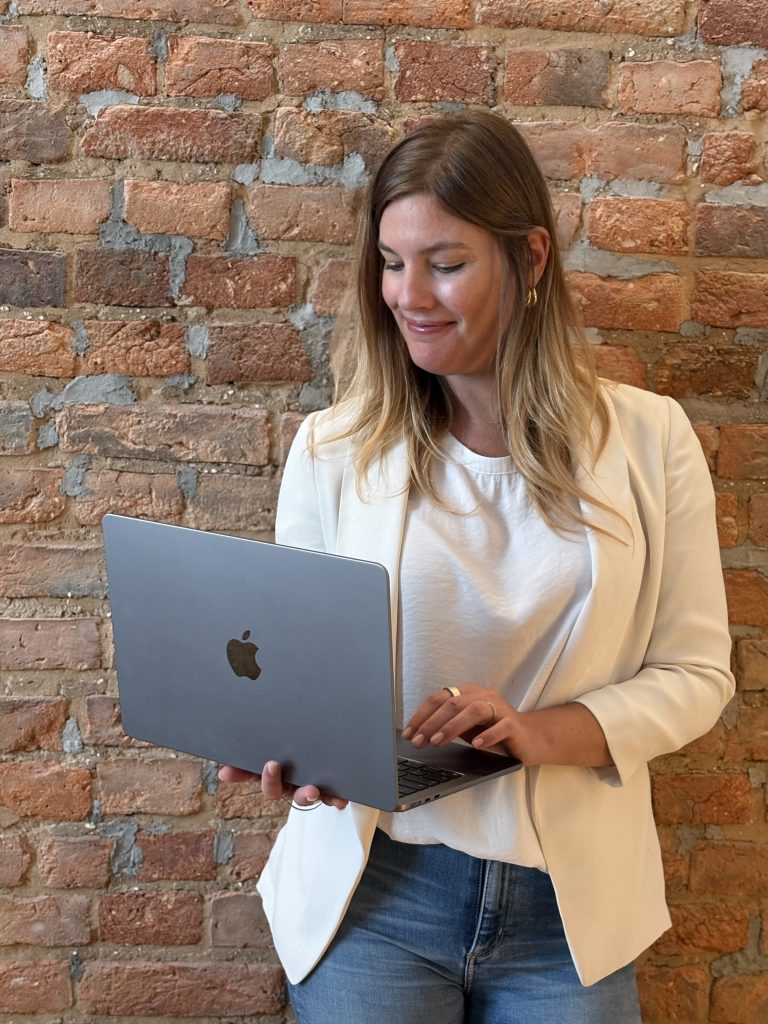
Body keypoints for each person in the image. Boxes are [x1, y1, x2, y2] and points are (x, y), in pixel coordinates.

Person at [219, 111, 734, 1023]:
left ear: (530, 259)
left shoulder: (650, 441)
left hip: (567, 912)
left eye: (445, 263)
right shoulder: (333, 449)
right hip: (375, 896)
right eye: (391, 262)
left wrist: (536, 732)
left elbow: (696, 676)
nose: (408, 294)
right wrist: (292, 747)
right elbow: (302, 672)